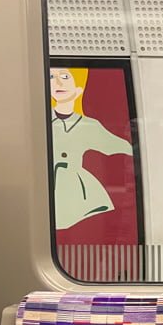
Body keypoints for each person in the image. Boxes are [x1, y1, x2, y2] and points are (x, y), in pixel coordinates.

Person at [49, 67, 133, 229]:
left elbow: (118, 146)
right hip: (47, 185)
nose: (58, 82)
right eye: (52, 76)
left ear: (79, 89)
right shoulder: (41, 121)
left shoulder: (89, 125)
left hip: (76, 189)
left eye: (65, 77)